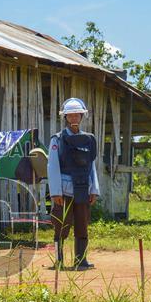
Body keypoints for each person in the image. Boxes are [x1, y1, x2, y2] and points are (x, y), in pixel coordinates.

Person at [47, 97, 99, 270]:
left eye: (77, 115)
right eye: (70, 115)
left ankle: (81, 260)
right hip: (64, 191)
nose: (74, 118)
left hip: (83, 189)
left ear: (82, 116)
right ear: (65, 117)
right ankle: (59, 260)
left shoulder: (89, 139)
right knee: (61, 225)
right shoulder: (57, 139)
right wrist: (55, 192)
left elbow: (91, 166)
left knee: (82, 225)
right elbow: (52, 166)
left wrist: (94, 190)